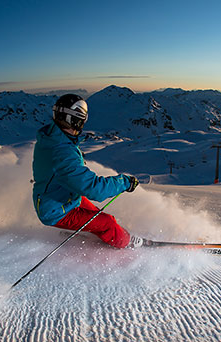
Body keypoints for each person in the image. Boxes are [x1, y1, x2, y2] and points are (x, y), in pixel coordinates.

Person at [32, 93, 143, 249]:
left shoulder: (54, 137)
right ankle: (127, 243)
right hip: (56, 211)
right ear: (76, 121)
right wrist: (124, 182)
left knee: (97, 215)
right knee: (107, 223)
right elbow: (94, 189)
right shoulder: (62, 152)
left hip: (65, 197)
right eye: (81, 121)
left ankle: (98, 233)